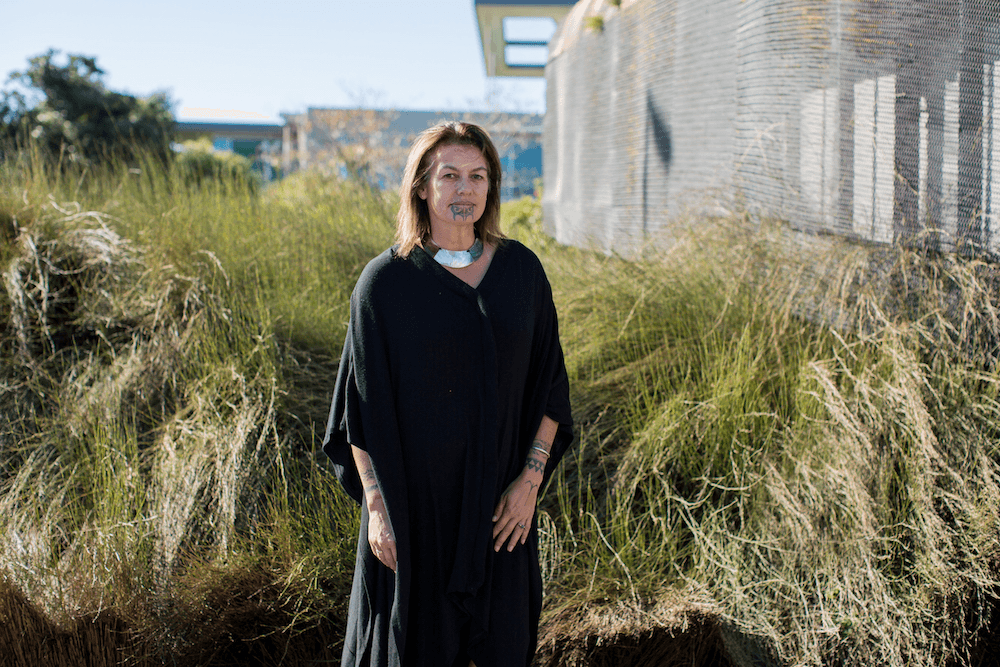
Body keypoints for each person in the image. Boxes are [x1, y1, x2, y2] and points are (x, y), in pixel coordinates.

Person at [323, 121, 573, 667]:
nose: (465, 190)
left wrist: (529, 484)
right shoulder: (383, 285)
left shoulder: (522, 273)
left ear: (492, 188)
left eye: (478, 176)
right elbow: (356, 413)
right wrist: (378, 510)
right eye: (451, 176)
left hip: (503, 517)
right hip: (414, 522)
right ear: (421, 187)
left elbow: (551, 387)